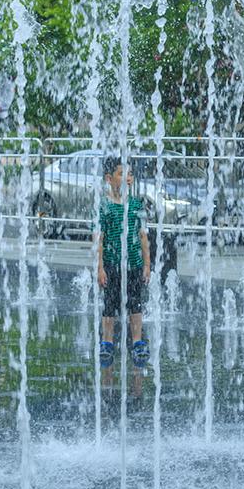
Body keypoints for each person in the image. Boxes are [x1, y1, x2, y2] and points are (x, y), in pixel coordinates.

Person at [97, 156, 150, 369]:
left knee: (135, 303)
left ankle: (137, 341)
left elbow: (143, 235)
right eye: (122, 174)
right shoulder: (104, 205)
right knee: (110, 304)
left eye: (130, 174)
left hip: (134, 264)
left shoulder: (137, 204)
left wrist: (147, 264)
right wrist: (100, 267)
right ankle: (107, 342)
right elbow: (99, 239)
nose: (128, 178)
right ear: (109, 178)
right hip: (111, 263)